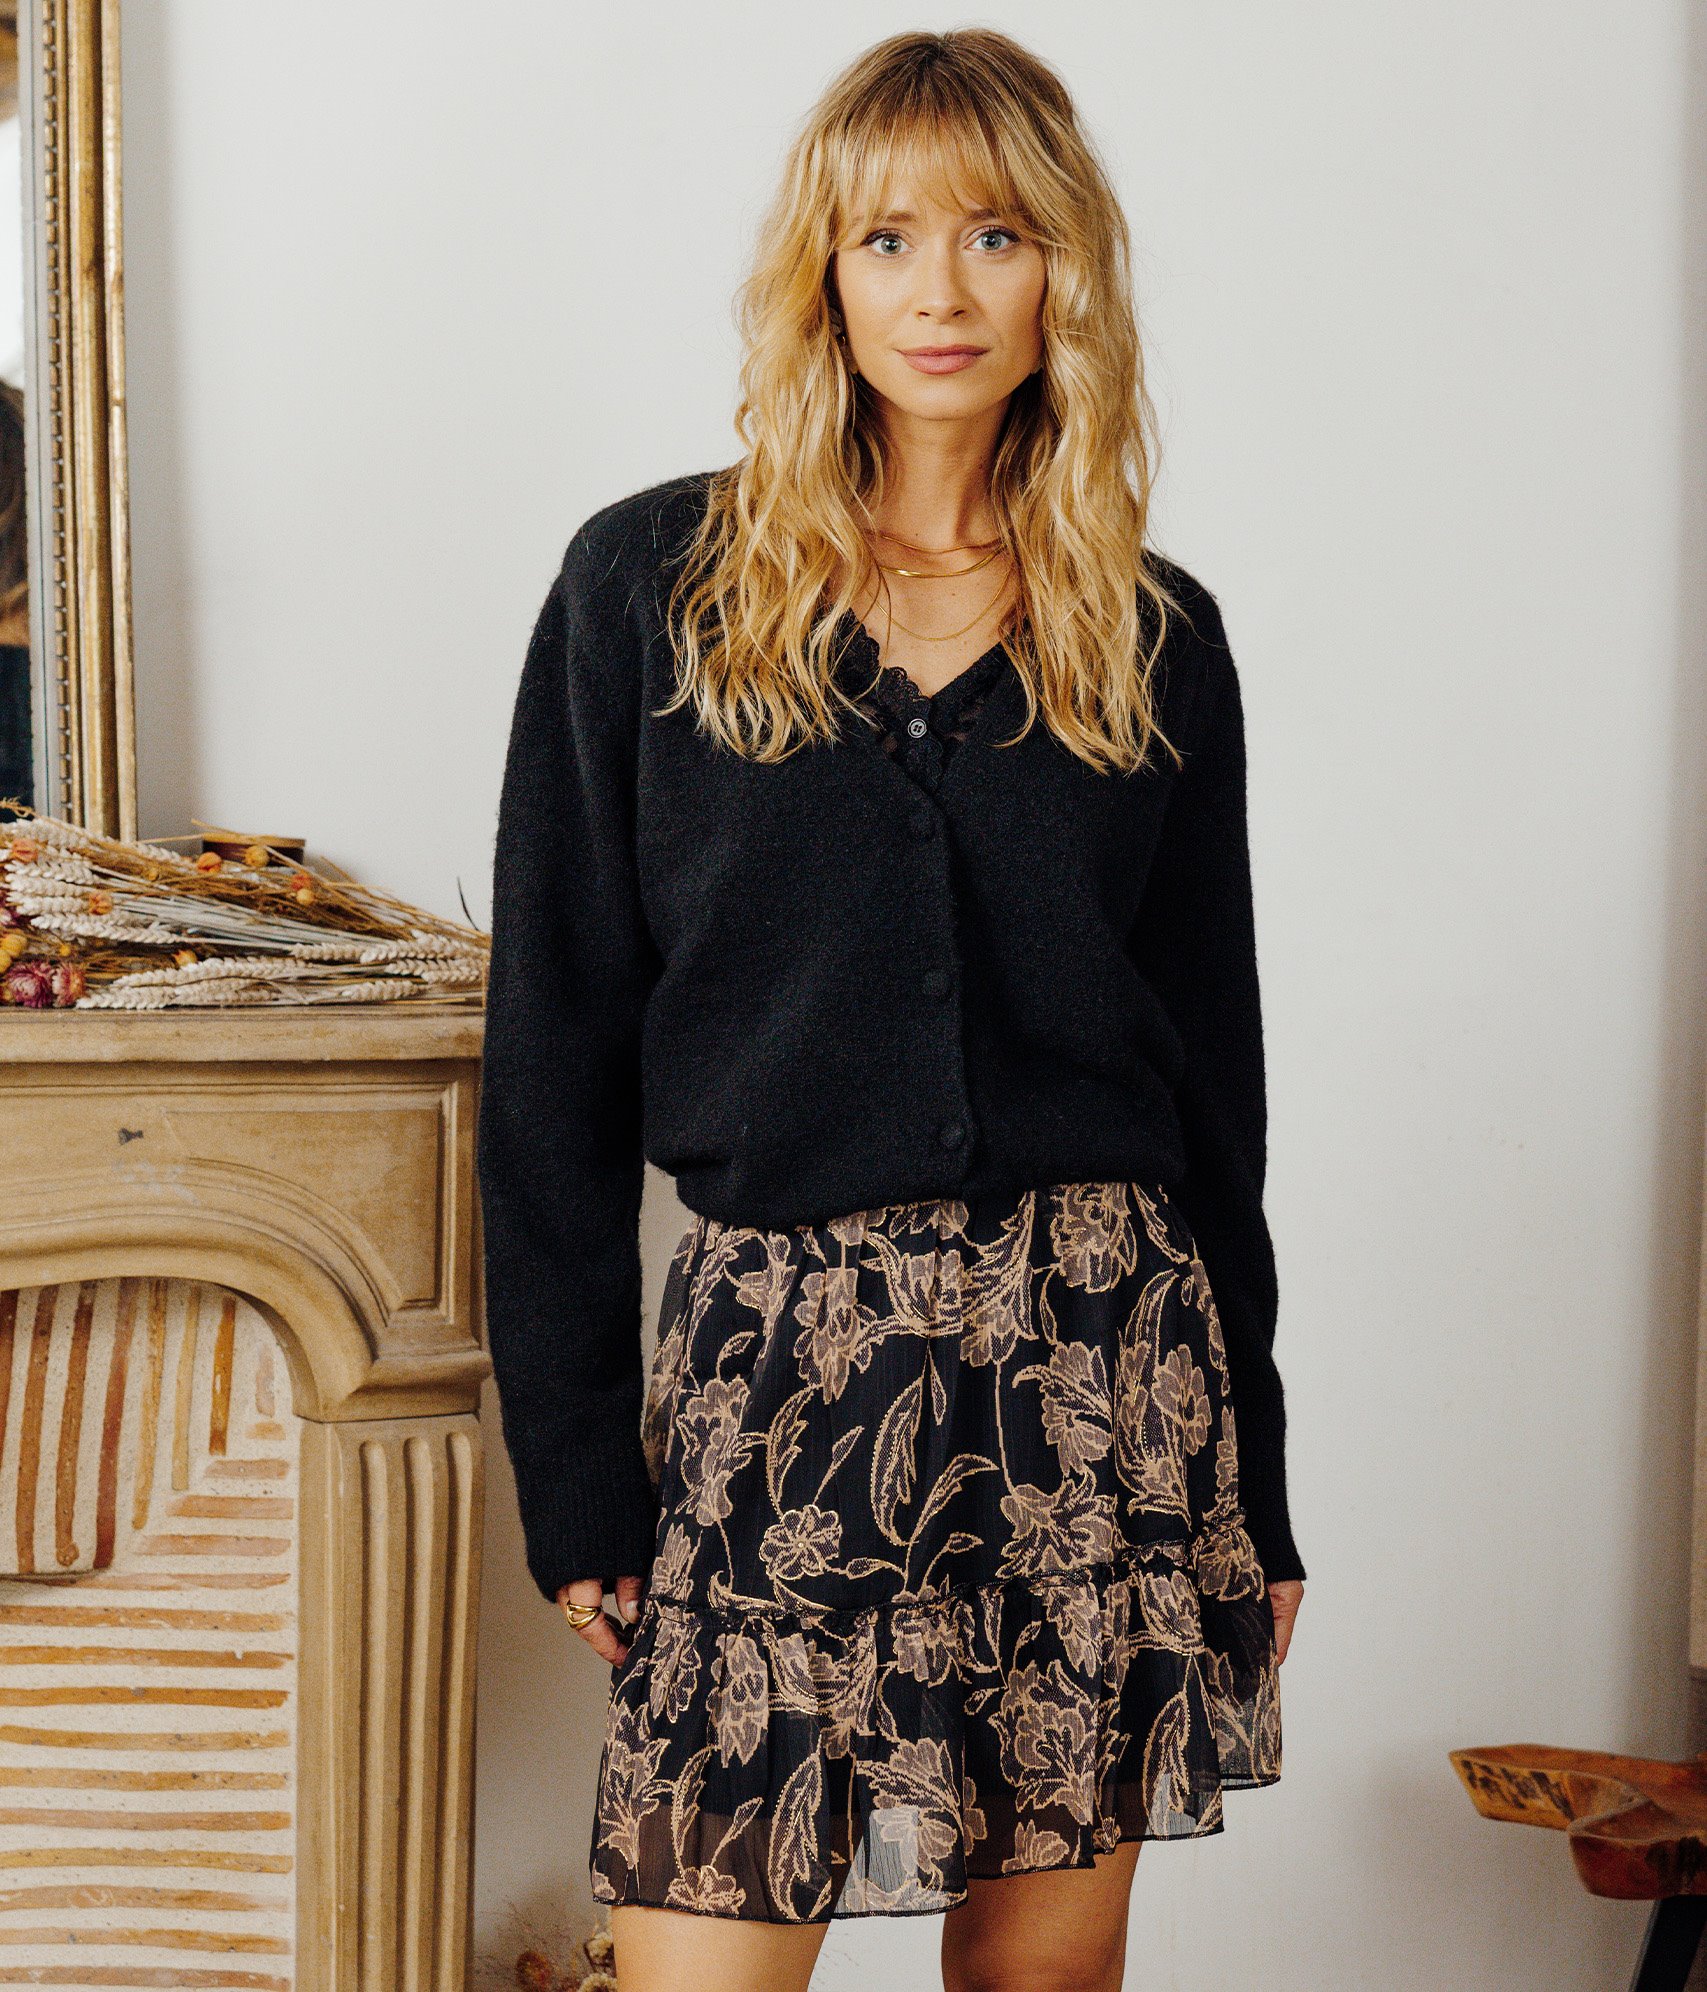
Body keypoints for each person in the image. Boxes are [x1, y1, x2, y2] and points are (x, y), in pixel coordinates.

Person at [476, 27, 1306, 1992]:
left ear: (1063, 271)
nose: (942, 291)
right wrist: (579, 1470)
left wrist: (1255, 1489)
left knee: (1039, 1979)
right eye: (889, 239)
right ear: (823, 276)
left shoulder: (1148, 631)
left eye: (997, 235)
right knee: (699, 1958)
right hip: (778, 1380)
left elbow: (1215, 1093)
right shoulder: (651, 590)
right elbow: (551, 1061)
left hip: (1096, 1378)